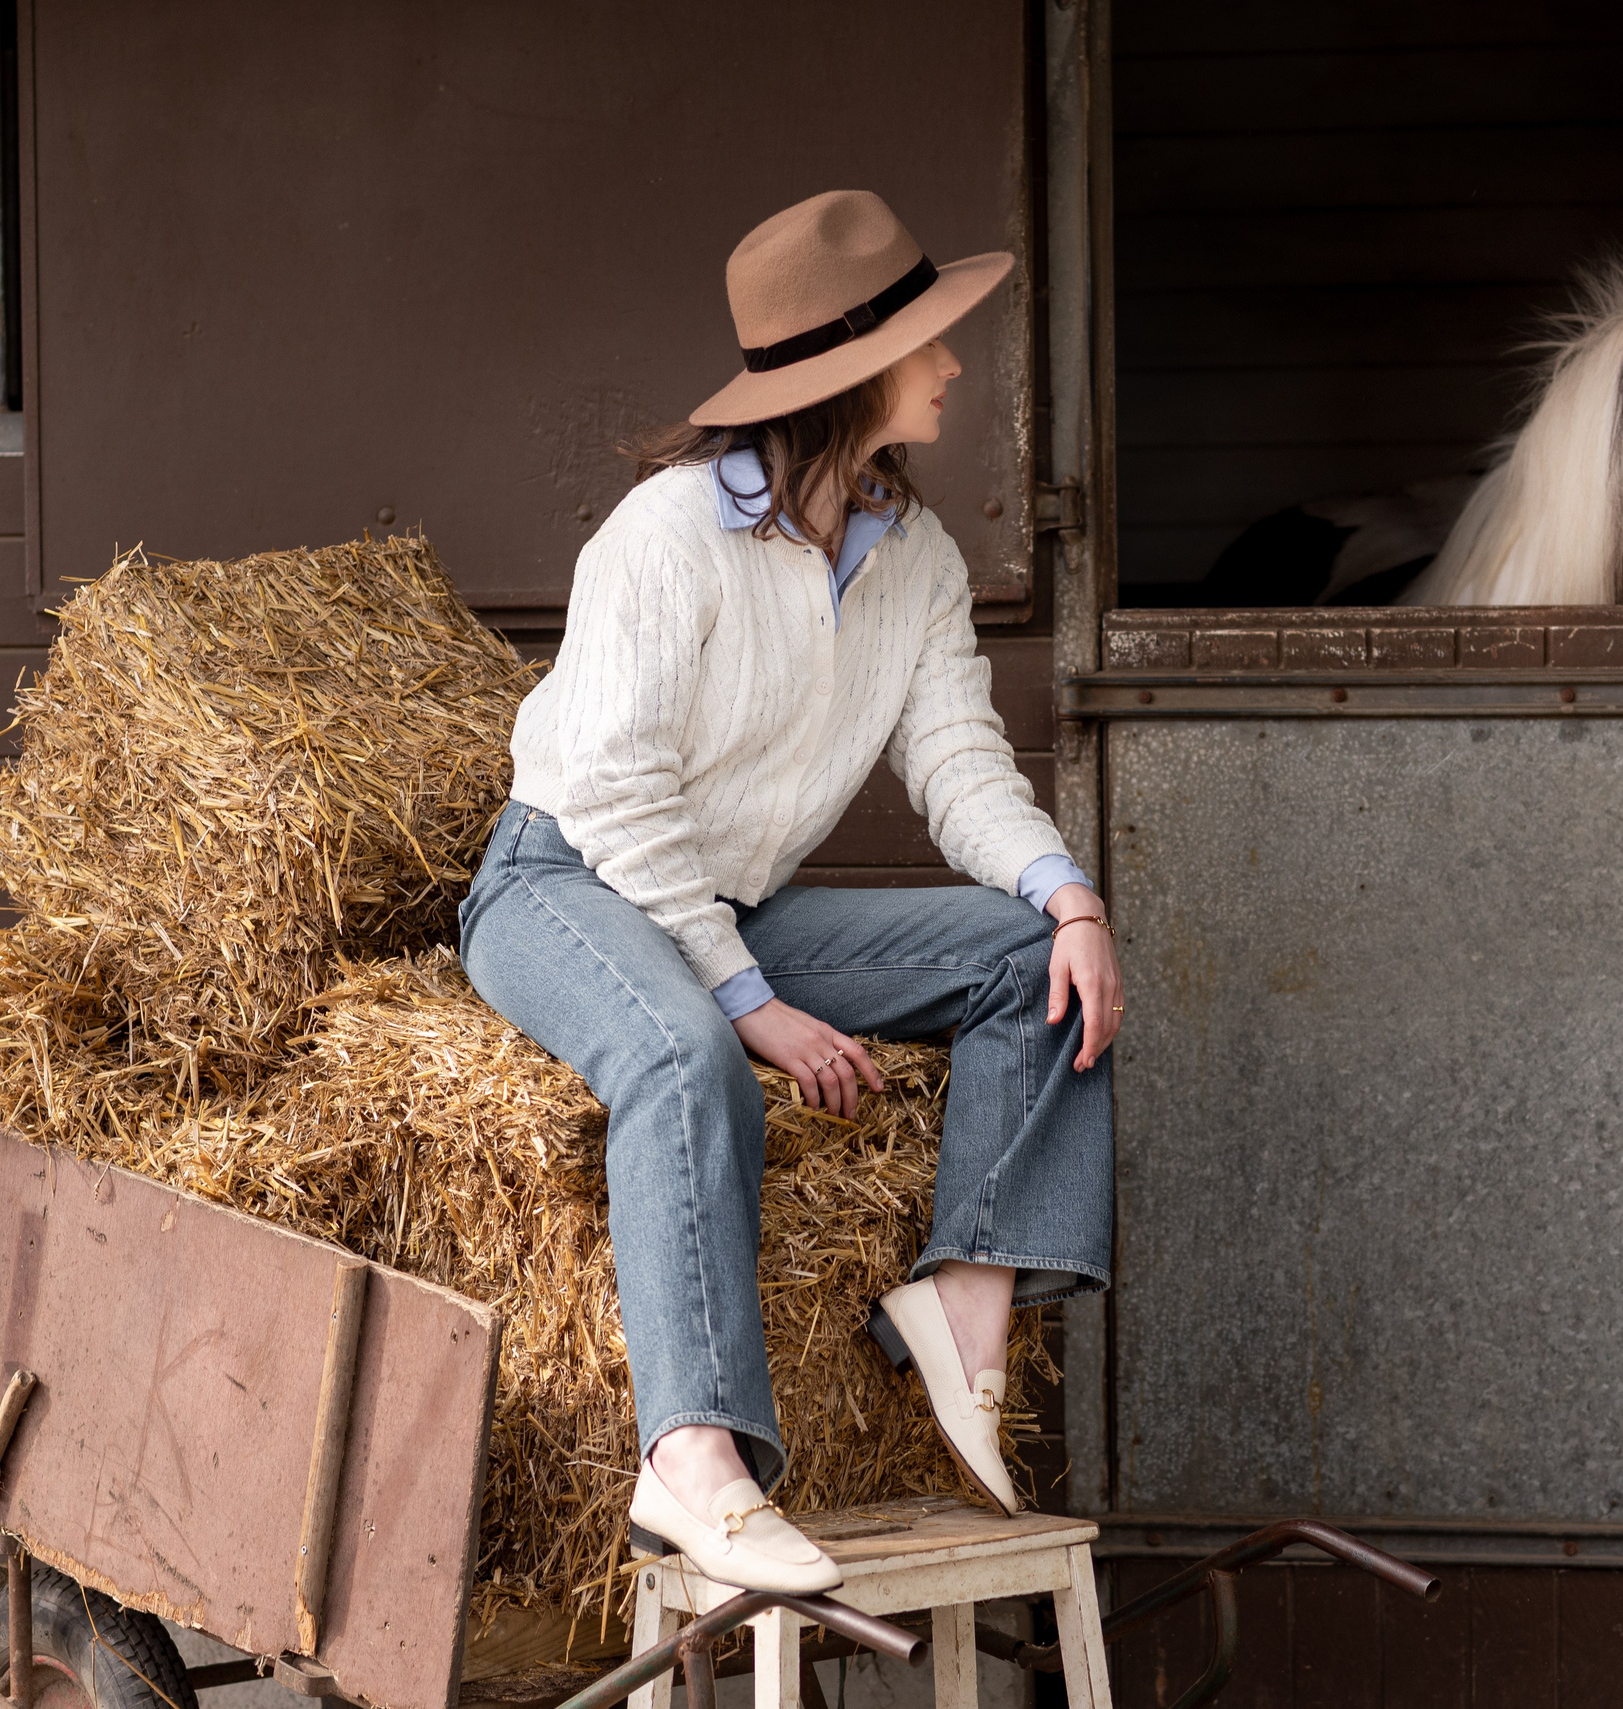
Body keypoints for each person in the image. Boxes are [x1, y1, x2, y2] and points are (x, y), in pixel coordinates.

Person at [458, 190, 1121, 1594]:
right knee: (680, 1051)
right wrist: (754, 1006)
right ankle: (692, 1459)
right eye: (934, 342)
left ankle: (968, 1293)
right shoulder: (664, 537)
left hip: (730, 899)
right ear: (854, 374)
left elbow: (955, 760)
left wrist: (1071, 898)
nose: (955, 363)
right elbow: (624, 804)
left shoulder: (916, 559)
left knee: (1023, 956)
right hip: (566, 878)